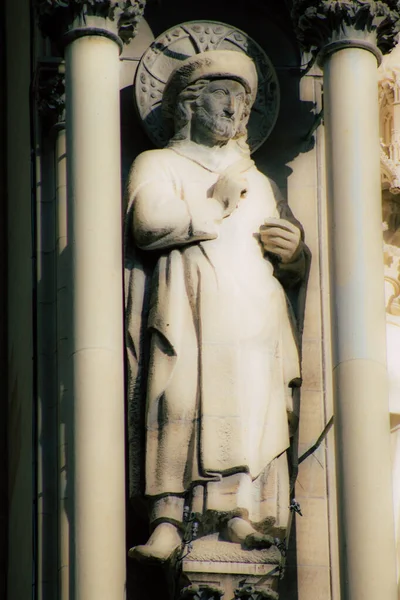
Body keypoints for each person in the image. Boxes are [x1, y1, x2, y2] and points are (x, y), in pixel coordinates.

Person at [125, 50, 307, 563]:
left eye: (244, 100)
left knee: (250, 407)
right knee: (177, 400)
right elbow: (149, 223)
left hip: (254, 313)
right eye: (222, 94)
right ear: (189, 102)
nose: (235, 109)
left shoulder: (258, 177)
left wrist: (294, 253)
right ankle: (169, 517)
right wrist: (219, 201)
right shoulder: (159, 163)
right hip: (189, 308)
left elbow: (291, 261)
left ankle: (240, 513)